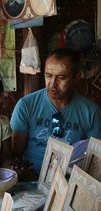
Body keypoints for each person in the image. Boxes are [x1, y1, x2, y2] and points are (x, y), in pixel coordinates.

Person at [10, 47, 101, 176]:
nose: (52, 83)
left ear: (77, 77)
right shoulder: (26, 105)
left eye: (61, 77)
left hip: (70, 181)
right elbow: (15, 154)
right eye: (48, 76)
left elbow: (95, 161)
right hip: (30, 179)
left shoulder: (91, 112)